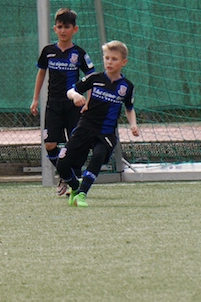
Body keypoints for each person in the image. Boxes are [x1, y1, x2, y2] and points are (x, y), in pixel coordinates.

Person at [57, 40, 139, 207]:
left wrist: (133, 124)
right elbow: (71, 90)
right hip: (85, 127)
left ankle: (82, 194)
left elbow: (129, 108)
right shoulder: (94, 78)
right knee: (62, 164)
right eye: (107, 58)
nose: (109, 62)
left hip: (106, 133)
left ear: (124, 62)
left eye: (114, 59)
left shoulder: (127, 86)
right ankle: (75, 186)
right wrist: (75, 96)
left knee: (98, 157)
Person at [30, 8, 95, 196]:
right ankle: (67, 175)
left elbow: (91, 78)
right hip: (53, 104)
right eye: (59, 27)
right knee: (50, 144)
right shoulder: (48, 52)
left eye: (67, 27)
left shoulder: (79, 53)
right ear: (55, 29)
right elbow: (41, 73)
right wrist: (35, 99)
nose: (63, 30)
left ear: (75, 29)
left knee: (75, 144)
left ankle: (72, 180)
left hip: (74, 105)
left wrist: (89, 102)